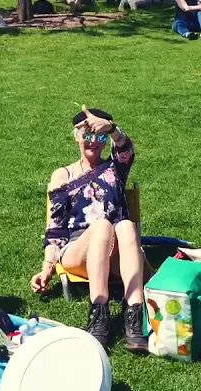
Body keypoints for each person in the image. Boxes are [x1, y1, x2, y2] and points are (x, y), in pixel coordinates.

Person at [32, 107, 147, 353]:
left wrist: (113, 129)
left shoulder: (115, 169)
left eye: (100, 136)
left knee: (125, 225)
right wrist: (47, 269)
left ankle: (135, 315)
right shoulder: (63, 175)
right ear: (76, 136)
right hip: (77, 251)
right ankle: (99, 312)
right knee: (102, 225)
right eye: (87, 134)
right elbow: (55, 229)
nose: (94, 142)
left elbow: (126, 150)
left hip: (115, 252)